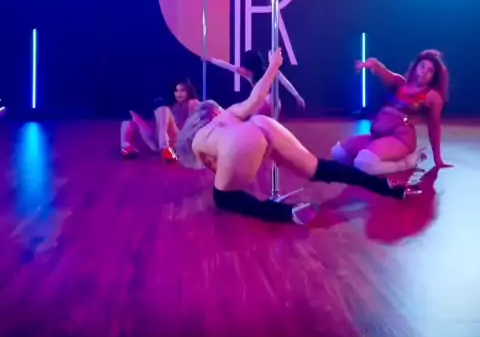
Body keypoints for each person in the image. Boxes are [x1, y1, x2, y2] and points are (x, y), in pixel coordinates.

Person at [175, 49, 418, 226]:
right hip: (262, 124)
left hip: (242, 140)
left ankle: (287, 213)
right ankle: (386, 187)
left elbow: (218, 167)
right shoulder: (228, 113)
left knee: (223, 196)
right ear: (214, 111)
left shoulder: (199, 138)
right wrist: (275, 64)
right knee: (319, 168)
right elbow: (254, 99)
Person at [330, 50, 451, 176]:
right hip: (378, 135)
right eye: (422, 66)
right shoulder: (400, 83)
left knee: (364, 162)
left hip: (401, 139)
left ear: (433, 76)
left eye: (430, 70)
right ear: (415, 67)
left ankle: (406, 163)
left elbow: (434, 128)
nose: (424, 71)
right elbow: (384, 72)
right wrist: (373, 64)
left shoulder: (432, 96)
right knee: (338, 153)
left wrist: (437, 158)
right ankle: (369, 163)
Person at [120, 80, 200, 161]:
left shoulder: (193, 103)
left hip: (179, 142)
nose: (179, 94)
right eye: (176, 91)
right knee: (132, 115)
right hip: (159, 141)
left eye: (182, 91)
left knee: (163, 109)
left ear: (188, 92)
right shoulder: (173, 104)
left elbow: (193, 128)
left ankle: (165, 146)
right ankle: (126, 147)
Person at [208, 49, 306, 114]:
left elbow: (227, 66)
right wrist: (297, 96)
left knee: (251, 107)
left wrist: (297, 96)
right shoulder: (261, 72)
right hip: (269, 104)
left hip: (268, 103)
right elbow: (227, 66)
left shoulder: (259, 72)